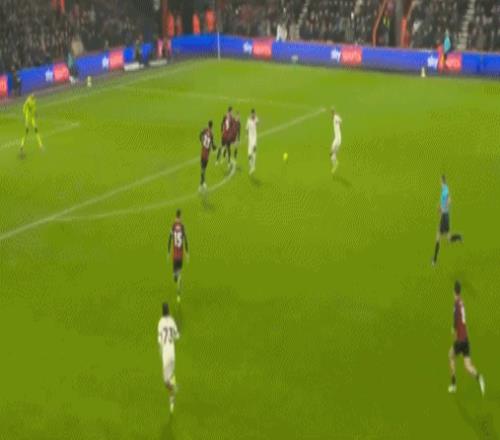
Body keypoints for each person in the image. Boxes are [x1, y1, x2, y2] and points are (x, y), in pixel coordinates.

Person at [448, 281, 485, 396]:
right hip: (466, 339)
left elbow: (456, 318)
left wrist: (453, 328)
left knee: (451, 356)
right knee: (468, 366)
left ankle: (453, 385)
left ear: (454, 291)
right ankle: (479, 377)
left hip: (460, 340)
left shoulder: (456, 304)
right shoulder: (462, 302)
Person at [432, 175, 462, 265]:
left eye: (440, 181)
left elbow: (449, 201)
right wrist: (440, 208)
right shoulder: (444, 189)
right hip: (445, 216)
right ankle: (458, 237)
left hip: (445, 217)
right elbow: (444, 201)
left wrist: (443, 209)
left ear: (442, 181)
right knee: (448, 238)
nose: (440, 183)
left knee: (438, 237)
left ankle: (434, 260)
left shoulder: (445, 189)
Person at [157, 302, 180, 414]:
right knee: (170, 375)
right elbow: (177, 336)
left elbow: (160, 340)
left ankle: (173, 390)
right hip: (172, 352)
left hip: (166, 354)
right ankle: (172, 396)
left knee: (166, 381)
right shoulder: (172, 321)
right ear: (169, 310)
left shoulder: (160, 322)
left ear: (162, 311)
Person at [167, 209, 189, 303]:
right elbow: (186, 240)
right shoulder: (183, 226)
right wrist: (187, 252)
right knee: (179, 272)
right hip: (180, 256)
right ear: (180, 216)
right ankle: (178, 293)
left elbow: (169, 239)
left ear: (176, 216)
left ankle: (177, 277)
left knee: (174, 276)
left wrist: (168, 251)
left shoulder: (173, 226)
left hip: (175, 256)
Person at [20, 93, 43, 158]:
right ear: (30, 97)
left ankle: (40, 145)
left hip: (32, 118)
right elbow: (24, 108)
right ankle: (22, 146)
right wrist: (25, 113)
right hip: (28, 118)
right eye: (32, 97)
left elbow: (34, 108)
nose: (33, 98)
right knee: (26, 132)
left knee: (36, 130)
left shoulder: (34, 101)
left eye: (34, 97)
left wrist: (36, 113)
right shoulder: (27, 101)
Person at [199, 120, 216, 191]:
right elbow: (213, 145)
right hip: (206, 155)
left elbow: (200, 135)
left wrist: (201, 141)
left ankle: (202, 183)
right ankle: (202, 184)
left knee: (202, 169)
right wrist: (215, 147)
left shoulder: (205, 129)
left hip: (202, 152)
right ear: (212, 126)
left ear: (208, 124)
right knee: (203, 169)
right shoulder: (211, 134)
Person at [246, 109, 259, 175]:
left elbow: (258, 123)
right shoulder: (248, 120)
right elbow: (246, 128)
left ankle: (253, 166)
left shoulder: (256, 119)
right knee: (249, 155)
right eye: (252, 113)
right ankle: (251, 167)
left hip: (254, 139)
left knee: (254, 151)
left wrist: (255, 120)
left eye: (254, 113)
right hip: (250, 140)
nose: (253, 114)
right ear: (251, 113)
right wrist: (246, 135)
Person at [330, 108, 342, 174]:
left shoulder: (336, 117)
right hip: (337, 138)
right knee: (332, 155)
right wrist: (340, 125)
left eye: (332, 112)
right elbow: (341, 121)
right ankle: (336, 164)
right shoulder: (335, 118)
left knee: (332, 152)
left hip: (338, 139)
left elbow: (340, 121)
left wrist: (339, 125)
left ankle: (335, 164)